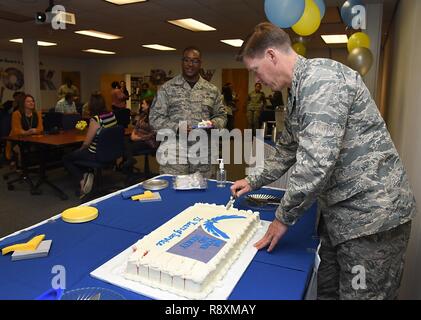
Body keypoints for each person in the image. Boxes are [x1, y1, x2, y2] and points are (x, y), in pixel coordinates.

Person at [231, 22, 416, 300]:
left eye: (255, 70)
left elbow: (316, 164)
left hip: (370, 220)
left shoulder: (321, 81)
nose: (257, 80)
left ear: (271, 55)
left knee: (360, 296)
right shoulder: (297, 90)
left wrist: (282, 219)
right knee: (327, 292)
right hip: (339, 217)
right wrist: (252, 180)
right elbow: (286, 150)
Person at [149, 46, 227, 178]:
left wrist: (213, 124)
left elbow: (222, 116)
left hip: (203, 154)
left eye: (195, 61)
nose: (190, 65)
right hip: (174, 154)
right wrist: (177, 128)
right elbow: (154, 119)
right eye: (186, 60)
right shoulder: (167, 89)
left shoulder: (212, 90)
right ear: (182, 61)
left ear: (200, 63)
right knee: (174, 193)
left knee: (203, 193)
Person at [63, 93, 117, 198]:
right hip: (110, 152)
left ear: (92, 105)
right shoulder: (111, 114)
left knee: (67, 158)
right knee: (78, 155)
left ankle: (83, 180)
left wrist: (79, 150)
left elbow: (87, 143)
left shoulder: (95, 119)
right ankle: (88, 173)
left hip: (96, 153)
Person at [121, 96, 158, 173]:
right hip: (137, 137)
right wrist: (133, 134)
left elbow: (153, 134)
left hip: (147, 142)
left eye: (143, 104)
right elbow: (136, 126)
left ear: (149, 105)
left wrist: (139, 138)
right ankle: (130, 160)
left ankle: (129, 162)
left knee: (129, 147)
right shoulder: (143, 114)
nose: (142, 105)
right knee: (122, 140)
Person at [8, 94, 44, 169]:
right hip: (17, 139)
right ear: (23, 103)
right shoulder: (16, 114)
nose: (31, 103)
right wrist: (26, 132)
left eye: (32, 101)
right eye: (28, 101)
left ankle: (38, 167)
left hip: (33, 138)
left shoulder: (37, 113)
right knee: (23, 149)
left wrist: (35, 130)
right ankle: (23, 169)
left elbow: (40, 128)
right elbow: (16, 130)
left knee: (43, 147)